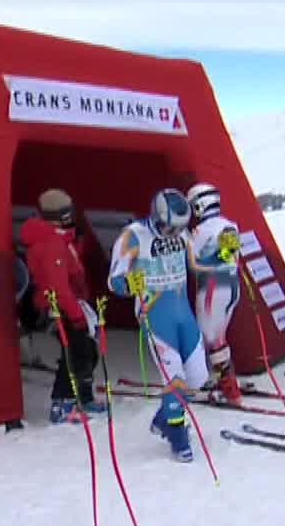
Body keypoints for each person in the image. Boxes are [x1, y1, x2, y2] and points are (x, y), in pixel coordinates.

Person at [109, 188, 208, 462]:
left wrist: (223, 255)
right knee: (174, 376)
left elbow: (197, 262)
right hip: (154, 314)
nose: (174, 234)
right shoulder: (133, 235)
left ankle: (165, 416)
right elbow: (114, 280)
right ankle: (176, 435)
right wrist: (130, 283)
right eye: (169, 228)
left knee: (198, 377)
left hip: (182, 312)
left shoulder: (182, 233)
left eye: (179, 229)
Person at [20, 188, 106, 424]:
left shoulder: (60, 238)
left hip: (70, 304)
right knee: (75, 353)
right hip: (60, 307)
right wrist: (76, 315)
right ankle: (62, 404)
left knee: (87, 350)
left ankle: (84, 397)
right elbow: (59, 286)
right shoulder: (52, 243)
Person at [185, 181, 245, 404]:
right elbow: (229, 256)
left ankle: (229, 390)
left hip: (212, 287)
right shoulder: (230, 225)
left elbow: (192, 263)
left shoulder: (201, 231)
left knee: (212, 339)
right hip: (231, 285)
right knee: (219, 336)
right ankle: (227, 381)